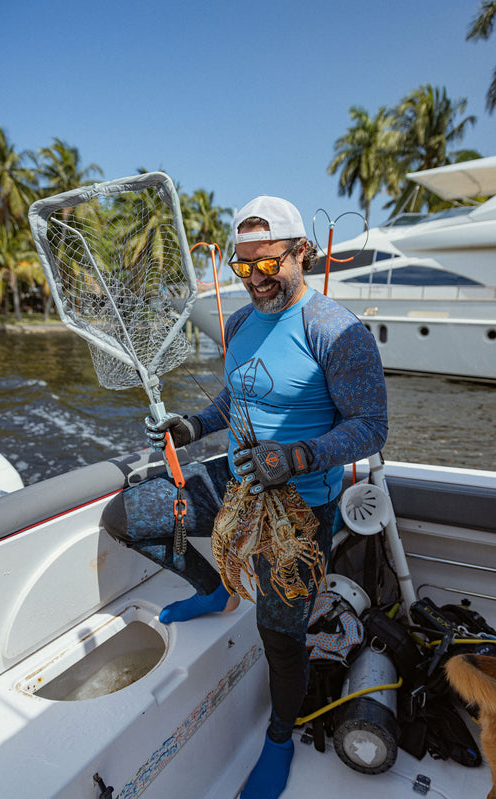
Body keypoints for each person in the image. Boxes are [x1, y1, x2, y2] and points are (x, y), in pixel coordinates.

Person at [106, 195, 388, 799]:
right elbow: (233, 402)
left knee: (280, 636)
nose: (256, 280)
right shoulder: (238, 323)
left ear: (301, 253)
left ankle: (280, 735)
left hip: (298, 508)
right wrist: (190, 426)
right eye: (243, 266)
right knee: (128, 515)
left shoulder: (338, 332)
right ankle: (212, 589)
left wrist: (297, 457)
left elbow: (371, 425)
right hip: (235, 487)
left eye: (268, 265)